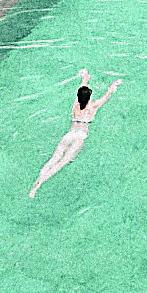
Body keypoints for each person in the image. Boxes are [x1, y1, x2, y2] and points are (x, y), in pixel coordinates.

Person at [29, 69, 121, 198]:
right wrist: (114, 84)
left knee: (53, 159)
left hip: (69, 135)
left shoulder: (75, 105)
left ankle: (36, 183)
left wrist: (85, 78)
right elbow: (107, 95)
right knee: (62, 162)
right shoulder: (93, 107)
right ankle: (38, 186)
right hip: (79, 137)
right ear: (89, 99)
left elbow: (81, 90)